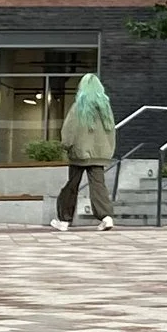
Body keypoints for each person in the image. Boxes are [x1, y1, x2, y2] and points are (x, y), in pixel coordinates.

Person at [53, 68, 119, 228]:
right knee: (98, 185)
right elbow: (111, 131)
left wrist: (65, 145)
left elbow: (69, 129)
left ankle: (64, 219)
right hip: (100, 153)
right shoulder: (105, 108)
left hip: (79, 153)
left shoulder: (78, 106)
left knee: (72, 185)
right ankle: (106, 216)